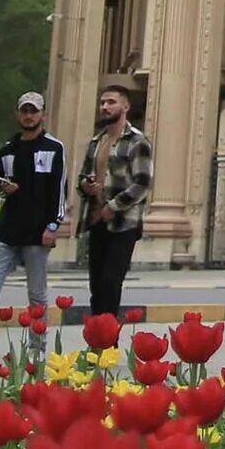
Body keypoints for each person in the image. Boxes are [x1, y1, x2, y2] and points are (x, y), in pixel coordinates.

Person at [0, 89, 70, 329]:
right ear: (18, 115)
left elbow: (59, 189)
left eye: (33, 111)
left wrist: (53, 225)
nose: (29, 116)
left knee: (36, 295)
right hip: (7, 229)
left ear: (42, 115)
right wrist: (4, 188)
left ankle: (36, 352)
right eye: (24, 111)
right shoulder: (8, 150)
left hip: (37, 233)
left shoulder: (53, 148)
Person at [80, 83, 153, 317]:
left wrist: (113, 206)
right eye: (102, 103)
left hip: (124, 223)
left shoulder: (137, 141)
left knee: (111, 283)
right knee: (96, 286)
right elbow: (82, 177)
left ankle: (108, 343)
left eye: (111, 102)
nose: (105, 107)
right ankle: (97, 342)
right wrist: (86, 186)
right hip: (96, 219)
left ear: (125, 106)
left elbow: (142, 183)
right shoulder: (96, 142)